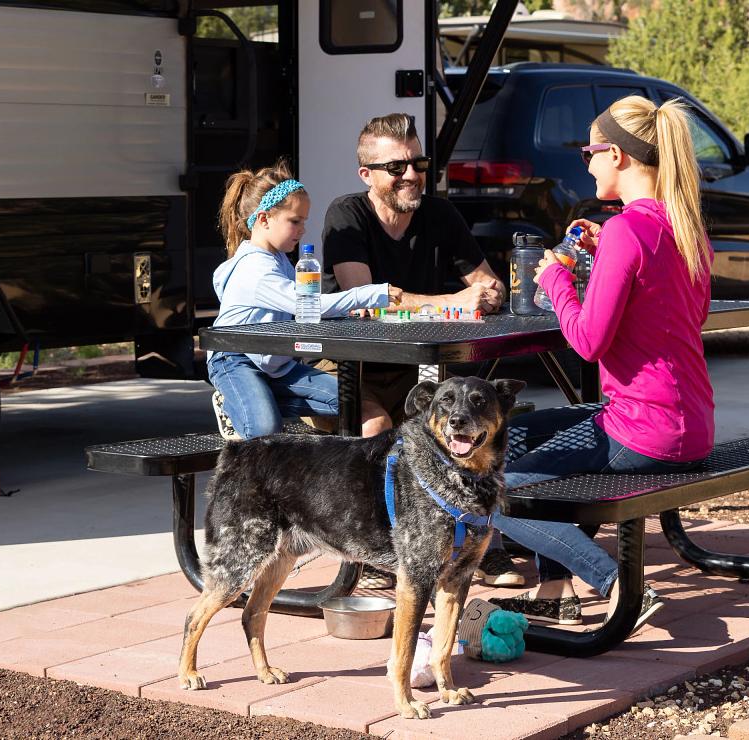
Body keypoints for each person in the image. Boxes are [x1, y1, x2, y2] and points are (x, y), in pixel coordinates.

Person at [485, 95, 717, 630]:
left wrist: (557, 282)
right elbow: (684, 315)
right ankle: (553, 591)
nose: (584, 162)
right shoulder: (686, 229)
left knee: (490, 486)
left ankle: (619, 587)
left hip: (642, 430)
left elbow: (587, 342)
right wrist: (604, 253)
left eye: (590, 151)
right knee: (512, 437)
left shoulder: (625, 231)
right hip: (688, 423)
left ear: (618, 155)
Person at [323, 113, 506, 438]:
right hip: (347, 364)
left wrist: (490, 295)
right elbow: (365, 298)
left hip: (415, 365)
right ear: (366, 175)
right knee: (377, 429)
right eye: (396, 167)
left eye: (418, 164)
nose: (411, 175)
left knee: (474, 428)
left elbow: (487, 282)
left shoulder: (441, 214)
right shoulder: (346, 214)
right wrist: (454, 302)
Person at [206, 162, 401, 440]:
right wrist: (370, 293)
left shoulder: (282, 261)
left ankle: (248, 402)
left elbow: (307, 314)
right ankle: (238, 403)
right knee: (265, 433)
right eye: (295, 221)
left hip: (276, 365)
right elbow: (309, 305)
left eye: (305, 221)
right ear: (264, 220)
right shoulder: (255, 269)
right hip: (237, 359)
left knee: (350, 402)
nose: (302, 230)